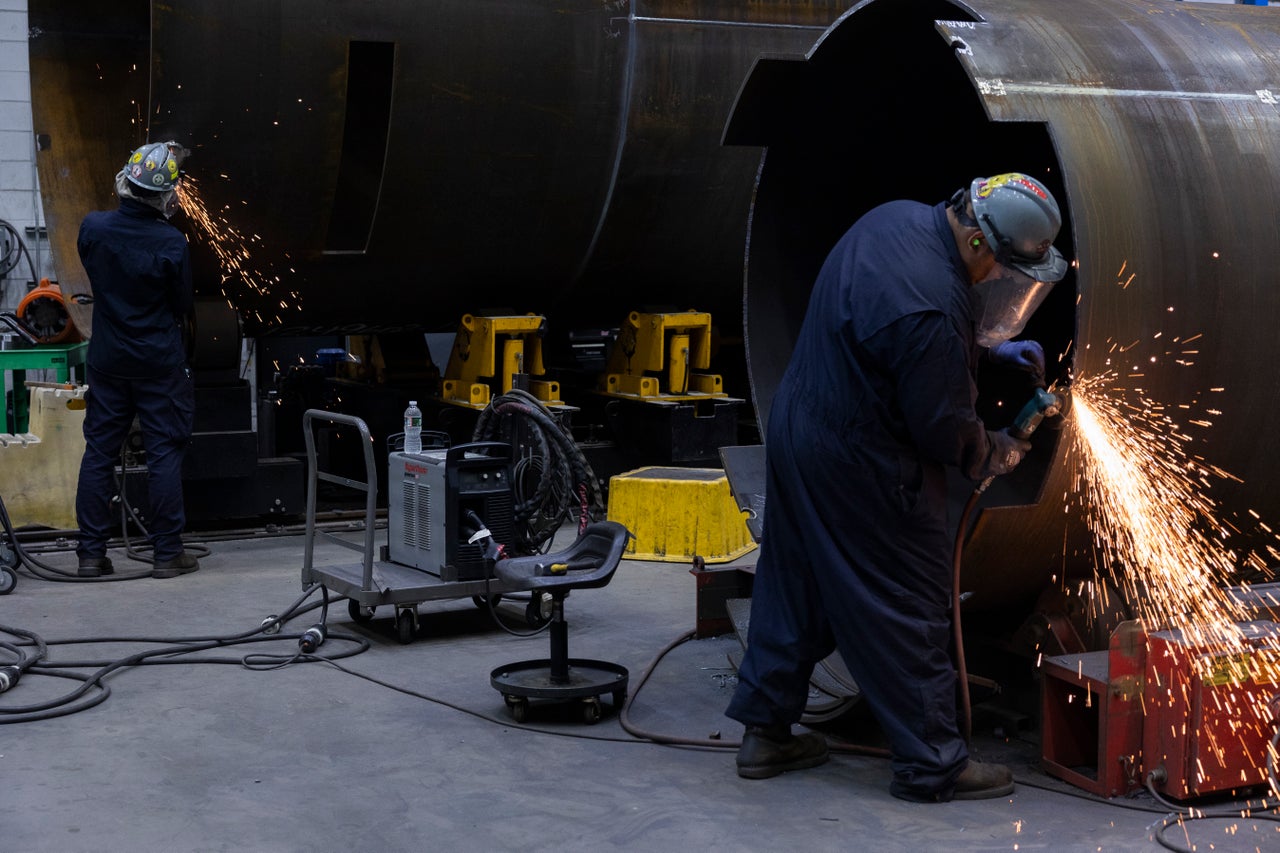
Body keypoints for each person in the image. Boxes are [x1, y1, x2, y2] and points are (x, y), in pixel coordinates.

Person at [725, 172, 1069, 801]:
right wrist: (998, 450)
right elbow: (947, 429)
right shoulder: (936, 311)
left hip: (801, 427)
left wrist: (990, 353)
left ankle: (766, 732)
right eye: (1004, 272)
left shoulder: (897, 218)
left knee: (796, 582)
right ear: (979, 244)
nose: (1000, 285)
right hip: (862, 458)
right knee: (906, 598)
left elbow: (891, 328)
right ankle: (932, 763)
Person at [74, 140, 201, 579]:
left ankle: (90, 556)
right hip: (158, 362)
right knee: (164, 452)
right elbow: (183, 304)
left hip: (109, 359)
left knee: (100, 452)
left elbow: (96, 269)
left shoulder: (93, 228)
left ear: (126, 182)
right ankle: (167, 554)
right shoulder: (171, 242)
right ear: (167, 196)